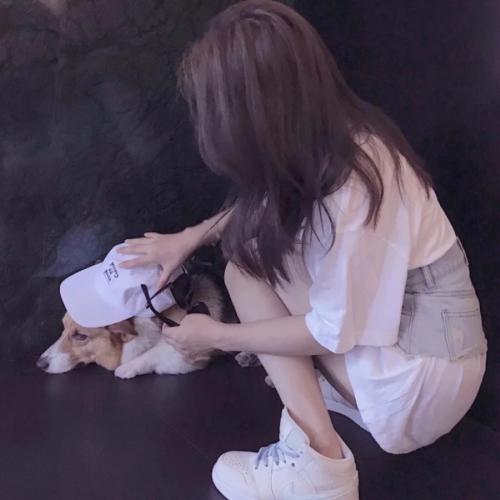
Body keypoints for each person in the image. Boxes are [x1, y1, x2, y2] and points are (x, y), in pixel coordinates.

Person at [118, 1, 487, 499]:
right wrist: (190, 237)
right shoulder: (341, 141)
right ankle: (331, 411)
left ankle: (319, 469)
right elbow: (269, 201)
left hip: (425, 391)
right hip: (434, 353)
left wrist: (219, 337)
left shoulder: (353, 189)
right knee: (250, 255)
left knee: (247, 271)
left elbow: (332, 331)